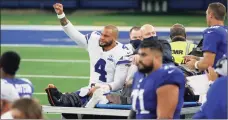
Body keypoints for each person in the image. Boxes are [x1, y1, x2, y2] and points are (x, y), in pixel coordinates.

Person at [46, 3, 132, 108]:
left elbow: (119, 83)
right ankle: (61, 98)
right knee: (63, 102)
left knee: (96, 104)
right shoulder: (94, 40)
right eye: (102, 34)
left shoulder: (123, 53)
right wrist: (61, 15)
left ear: (114, 39)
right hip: (90, 89)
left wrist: (101, 88)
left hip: (111, 94)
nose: (102, 38)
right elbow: (74, 34)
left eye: (106, 36)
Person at [129, 40, 185, 119]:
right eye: (139, 55)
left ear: (157, 57)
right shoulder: (139, 75)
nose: (140, 59)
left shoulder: (167, 75)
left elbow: (165, 117)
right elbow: (136, 110)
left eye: (144, 55)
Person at [185, 2, 227, 71]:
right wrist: (198, 58)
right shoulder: (224, 30)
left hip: (217, 77)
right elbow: (221, 57)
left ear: (210, 15)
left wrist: (195, 64)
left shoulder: (212, 32)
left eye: (206, 14)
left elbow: (208, 64)